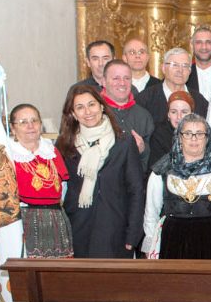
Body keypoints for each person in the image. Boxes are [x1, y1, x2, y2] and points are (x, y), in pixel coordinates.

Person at [142, 114, 211, 302]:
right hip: (173, 242)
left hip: (210, 242)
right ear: (179, 137)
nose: (194, 138)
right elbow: (151, 213)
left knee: (209, 300)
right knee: (173, 297)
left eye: (200, 133)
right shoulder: (160, 172)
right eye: (188, 133)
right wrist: (150, 245)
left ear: (208, 138)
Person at [56, 85, 145, 260]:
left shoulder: (124, 142)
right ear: (73, 113)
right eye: (80, 107)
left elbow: (136, 190)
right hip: (78, 230)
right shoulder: (65, 145)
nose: (87, 111)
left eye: (92, 104)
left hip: (116, 231)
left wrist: (133, 234)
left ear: (102, 106)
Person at [8, 103, 73, 259]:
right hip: (24, 221)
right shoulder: (8, 155)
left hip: (56, 218)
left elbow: (63, 188)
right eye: (23, 122)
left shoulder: (51, 150)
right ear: (13, 128)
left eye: (34, 120)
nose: (30, 126)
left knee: (58, 273)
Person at [101, 59, 154, 173]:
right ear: (104, 82)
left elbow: (152, 161)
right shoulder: (95, 113)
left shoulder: (143, 115)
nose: (122, 83)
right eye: (116, 78)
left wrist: (143, 150)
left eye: (127, 78)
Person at [138, 47, 209, 126]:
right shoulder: (145, 99)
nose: (180, 70)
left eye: (185, 66)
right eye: (175, 65)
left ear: (190, 71)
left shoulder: (199, 101)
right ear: (164, 68)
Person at [148, 91, 194, 170]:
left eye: (184, 112)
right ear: (168, 114)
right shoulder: (159, 135)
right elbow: (156, 168)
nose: (179, 117)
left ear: (192, 114)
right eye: (174, 112)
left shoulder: (202, 133)